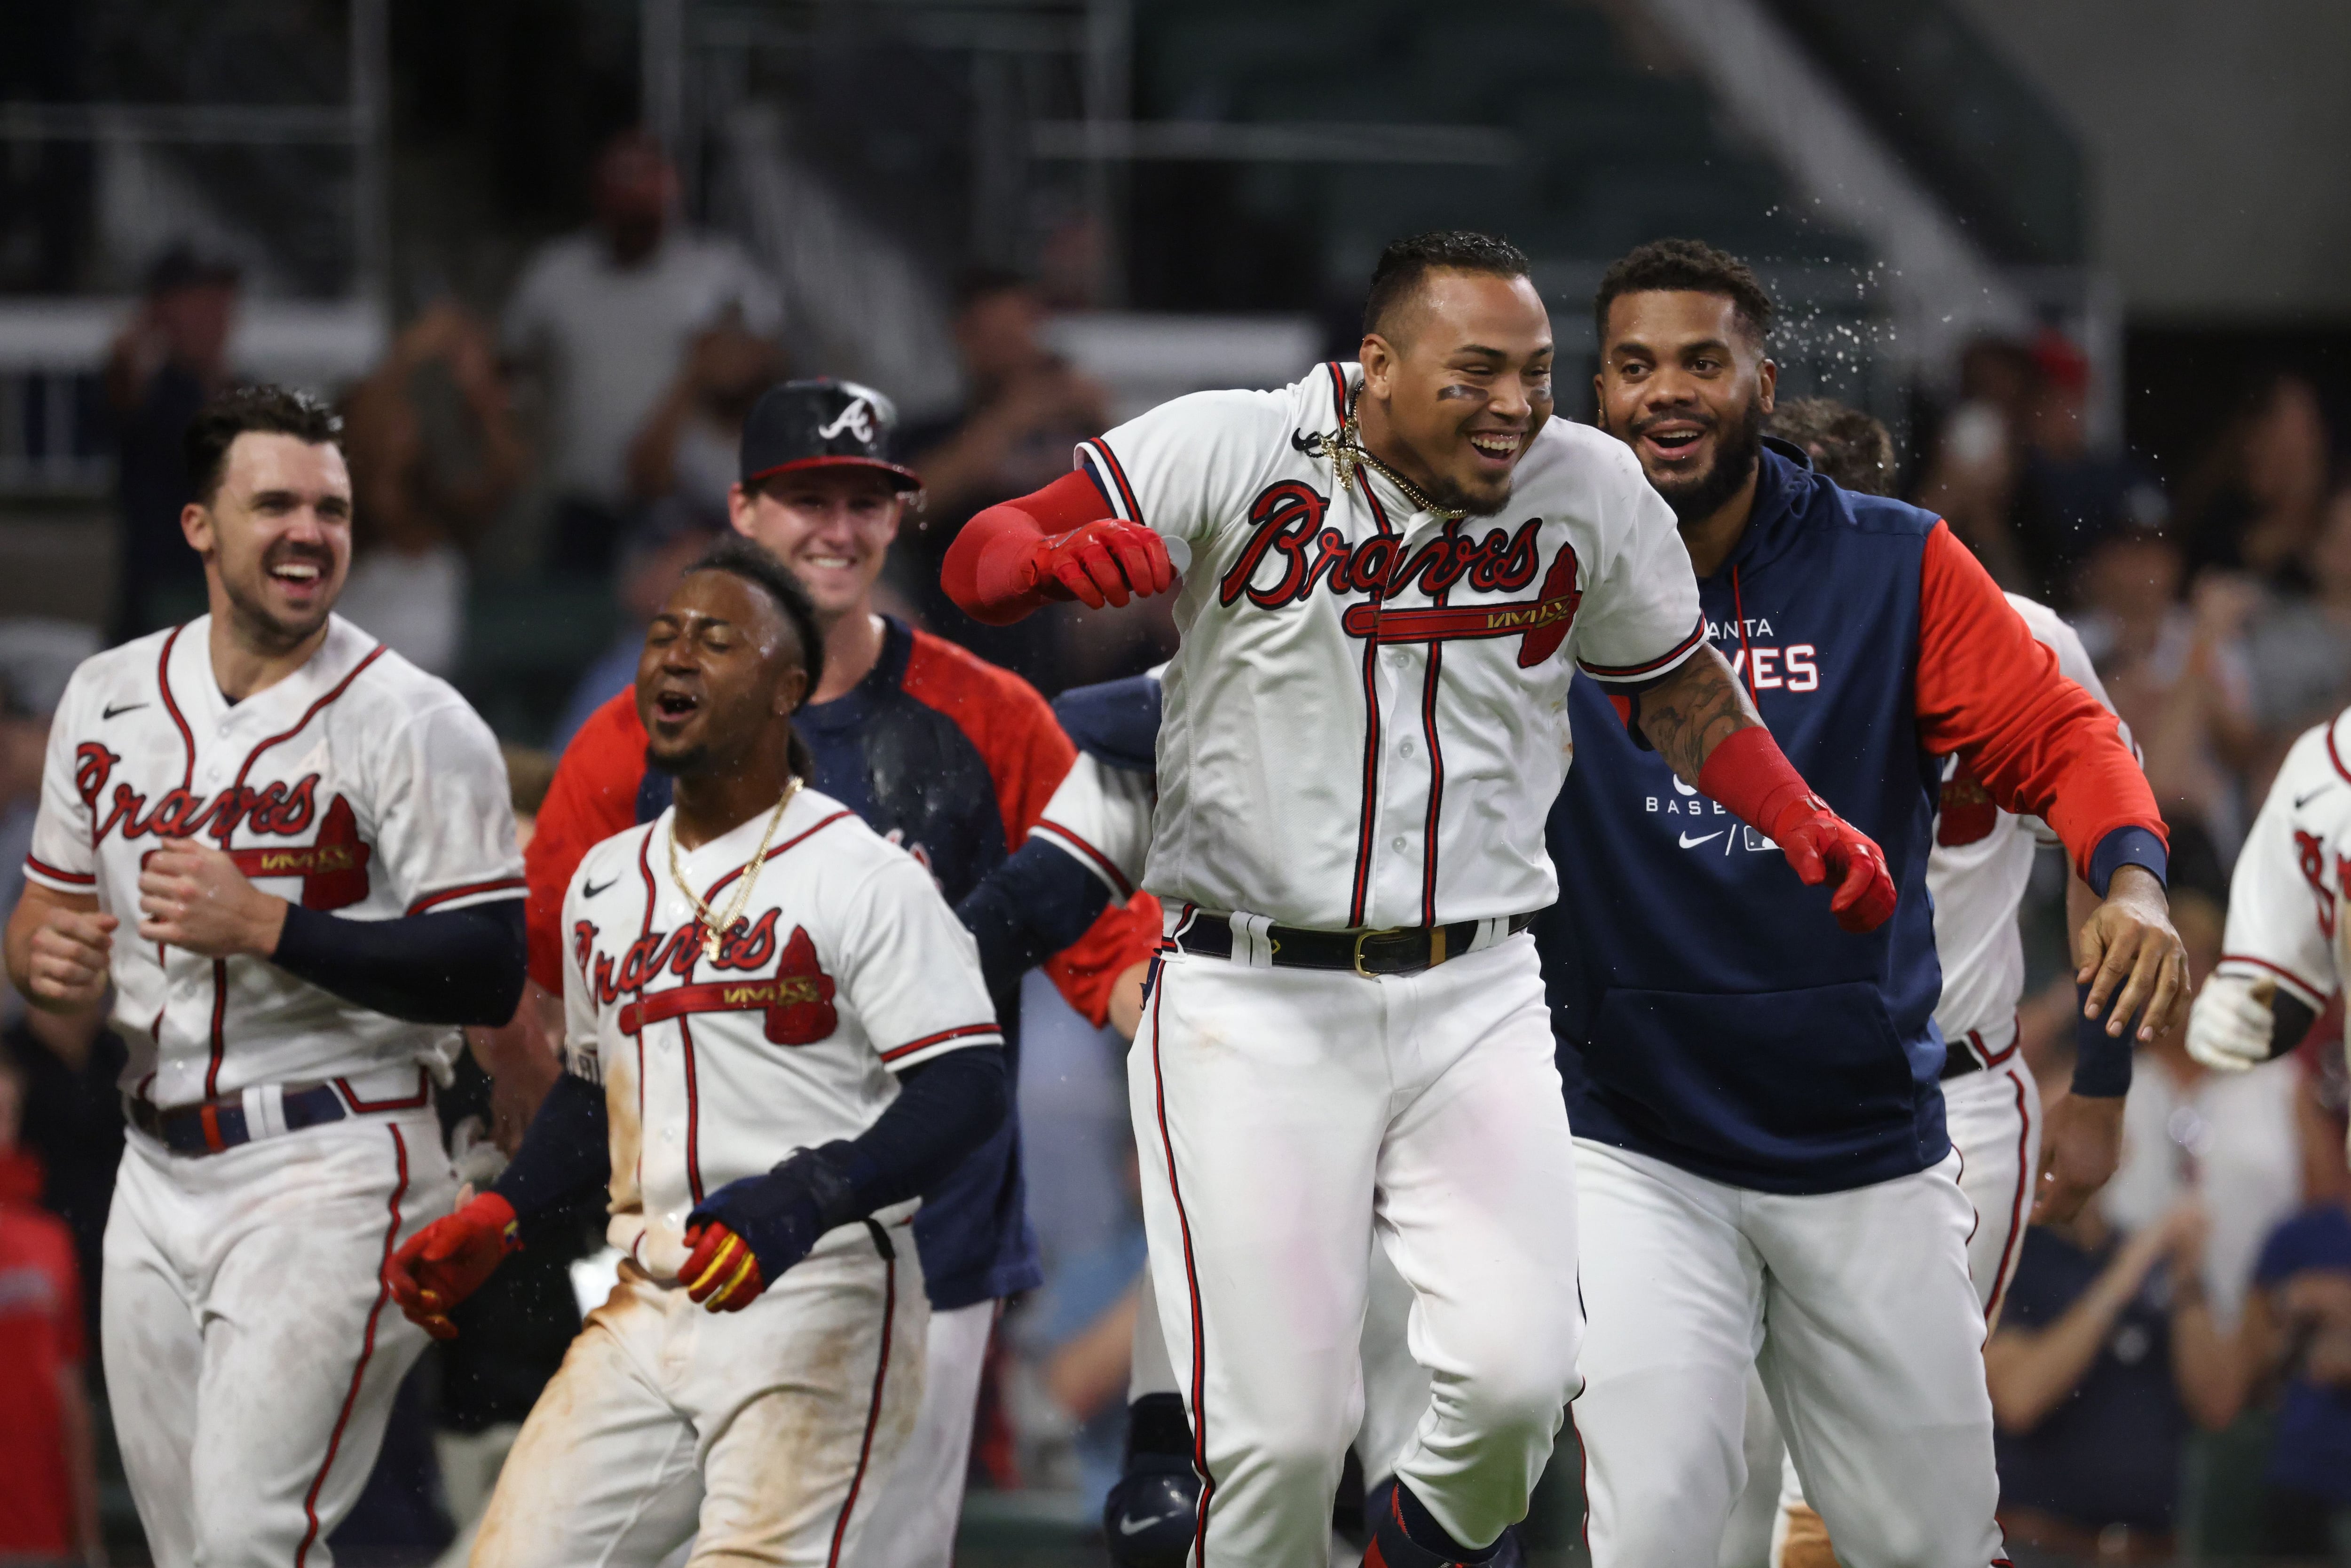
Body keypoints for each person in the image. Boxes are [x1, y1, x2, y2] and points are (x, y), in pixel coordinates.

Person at [944, 229, 1901, 1568]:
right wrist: (1044, 565)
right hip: (1250, 996)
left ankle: (1405, 1545)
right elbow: (981, 550)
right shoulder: (1238, 443)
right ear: (1377, 367)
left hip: (1477, 986)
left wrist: (1796, 813)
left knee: (1522, 1384)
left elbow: (1677, 686)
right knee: (1275, 1445)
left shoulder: (1588, 484)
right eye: (1478, 374)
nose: (1516, 403)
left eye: (1537, 370)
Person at [1553, 238, 2183, 1568]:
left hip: (1890, 1119)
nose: (1669, 390)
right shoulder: (1534, 567)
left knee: (1922, 1535)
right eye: (1637, 363)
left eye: (1703, 362)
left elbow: (2071, 746)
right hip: (1635, 1136)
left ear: (1759, 387)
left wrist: (2134, 878)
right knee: (1668, 1519)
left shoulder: (1907, 571)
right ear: (1596, 391)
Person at [492, 378, 1161, 1568]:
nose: (837, 529)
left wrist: (1219, 1065)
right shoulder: (635, 738)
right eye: (807, 500)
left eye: (864, 500)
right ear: (745, 512)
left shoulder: (989, 716)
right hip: (684, 1257)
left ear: (901, 518)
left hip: (921, 1253)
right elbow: (542, 976)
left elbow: (1108, 949)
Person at [387, 541, 1010, 1567]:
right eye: (664, 635)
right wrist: (505, 1213)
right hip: (648, 1298)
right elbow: (597, 1096)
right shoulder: (604, 880)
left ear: (786, 688)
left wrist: (809, 1192)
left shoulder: (862, 874)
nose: (676, 656)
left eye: (717, 640)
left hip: (817, 1293)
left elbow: (967, 1086)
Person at [1, 385, 529, 1565]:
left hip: (339, 1157)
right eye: (276, 502)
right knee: (195, 1547)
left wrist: (274, 926)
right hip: (152, 1163)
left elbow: (490, 966)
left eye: (332, 508)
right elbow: (44, 908)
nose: (310, 531)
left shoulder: (413, 717)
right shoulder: (109, 693)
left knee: (244, 1539)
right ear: (199, 526)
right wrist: (36, 953)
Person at [503, 129, 781, 577]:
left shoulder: (716, 268)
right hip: (585, 498)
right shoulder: (555, 272)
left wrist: (714, 365)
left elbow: (768, 354)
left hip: (688, 500)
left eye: (645, 206)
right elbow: (510, 364)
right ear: (598, 199)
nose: (636, 219)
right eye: (623, 203)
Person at [1986, 1197, 2240, 1560]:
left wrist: (2188, 1281)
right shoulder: (2013, 1260)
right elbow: (2019, 1399)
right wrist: (2123, 1277)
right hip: (2044, 1547)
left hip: (2151, 1552)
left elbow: (2218, 1407)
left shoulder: (2157, 1257)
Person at [898, 268, 1113, 687]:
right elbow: (910, 508)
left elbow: (1141, 507)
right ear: (964, 336)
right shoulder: (933, 434)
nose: (1014, 353)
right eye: (997, 338)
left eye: (1022, 334)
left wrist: (1103, 425)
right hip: (963, 639)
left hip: (1066, 646)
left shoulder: (1074, 430)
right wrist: (1012, 418)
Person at [336, 302, 529, 676]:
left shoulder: (442, 519)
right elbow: (364, 418)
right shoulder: (345, 519)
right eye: (389, 417)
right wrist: (410, 352)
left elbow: (508, 474)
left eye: (403, 415)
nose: (399, 422)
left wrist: (481, 390)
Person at [0, 1051, 104, 1568]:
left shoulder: (50, 1240)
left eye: (7, 1110)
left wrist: (90, 1539)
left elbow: (71, 1401)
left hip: (40, 1529)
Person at [106, 245, 240, 640]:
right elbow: (122, 395)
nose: (216, 314)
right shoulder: (151, 397)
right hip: (165, 598)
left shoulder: (243, 392)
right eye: (199, 302)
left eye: (220, 301)